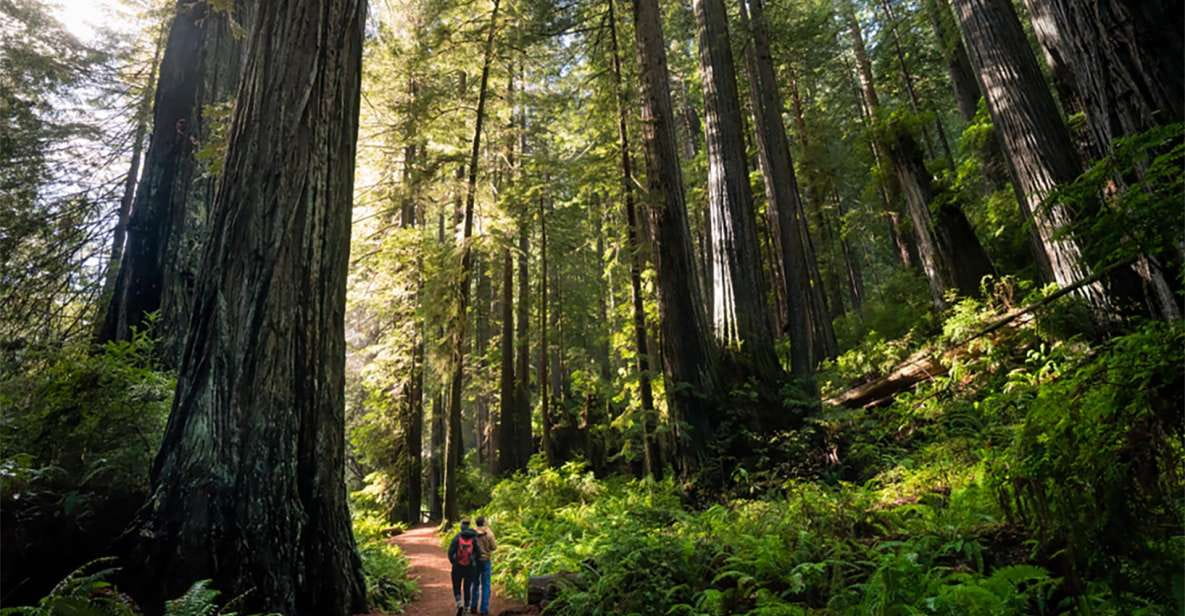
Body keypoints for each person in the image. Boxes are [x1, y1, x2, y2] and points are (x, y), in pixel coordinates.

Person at [448, 519, 482, 616]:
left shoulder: (457, 538)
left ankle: (459, 604)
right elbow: (478, 553)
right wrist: (473, 559)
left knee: (456, 586)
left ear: (461, 527)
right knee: (467, 588)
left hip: (457, 567)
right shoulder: (473, 538)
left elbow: (450, 552)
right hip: (470, 567)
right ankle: (466, 609)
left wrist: (454, 562)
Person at [473, 516, 497, 615]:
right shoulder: (489, 533)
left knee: (475, 584)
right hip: (486, 560)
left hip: (474, 561)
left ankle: (473, 607)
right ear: (483, 523)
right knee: (486, 585)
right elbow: (494, 547)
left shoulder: (472, 533)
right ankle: (484, 610)